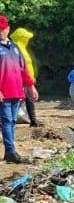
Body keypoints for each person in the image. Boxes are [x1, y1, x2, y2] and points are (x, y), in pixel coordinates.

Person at [0, 15, 38, 163]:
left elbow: (23, 69)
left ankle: (9, 151)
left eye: (3, 29)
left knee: (12, 121)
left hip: (16, 91)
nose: (1, 32)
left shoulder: (14, 47)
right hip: (3, 93)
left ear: (8, 29)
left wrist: (30, 86)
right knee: (7, 121)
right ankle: (10, 152)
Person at [10, 28, 40, 127]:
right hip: (20, 80)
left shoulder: (24, 49)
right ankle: (8, 122)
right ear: (22, 38)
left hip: (28, 79)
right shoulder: (15, 49)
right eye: (27, 38)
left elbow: (30, 64)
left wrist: (33, 76)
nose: (28, 40)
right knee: (17, 100)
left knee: (29, 99)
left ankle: (33, 121)